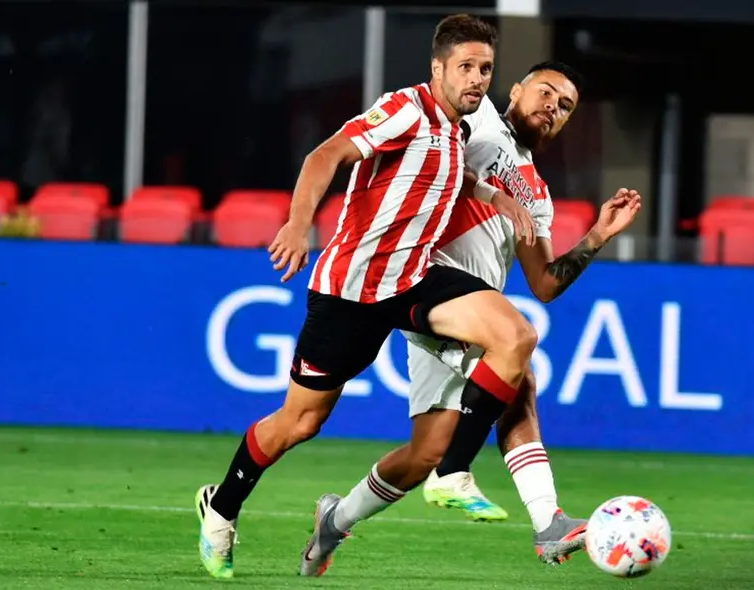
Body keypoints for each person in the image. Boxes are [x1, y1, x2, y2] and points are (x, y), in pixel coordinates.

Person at [194, 14, 543, 580]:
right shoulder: (405, 109)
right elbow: (324, 156)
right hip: (350, 292)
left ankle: (452, 472)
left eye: (485, 69)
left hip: (412, 281)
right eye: (466, 67)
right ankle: (221, 505)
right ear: (438, 68)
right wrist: (298, 224)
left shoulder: (457, 129)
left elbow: (448, 175)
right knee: (299, 422)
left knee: (516, 335)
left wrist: (495, 196)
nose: (477, 79)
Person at [300, 61, 642, 575]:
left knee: (422, 454)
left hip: (468, 310)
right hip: (422, 282)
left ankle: (335, 519)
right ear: (517, 90)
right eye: (546, 92)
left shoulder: (538, 194)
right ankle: (544, 520)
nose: (553, 106)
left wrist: (596, 236)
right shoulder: (474, 120)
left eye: (566, 106)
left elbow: (545, 283)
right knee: (519, 378)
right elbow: (427, 162)